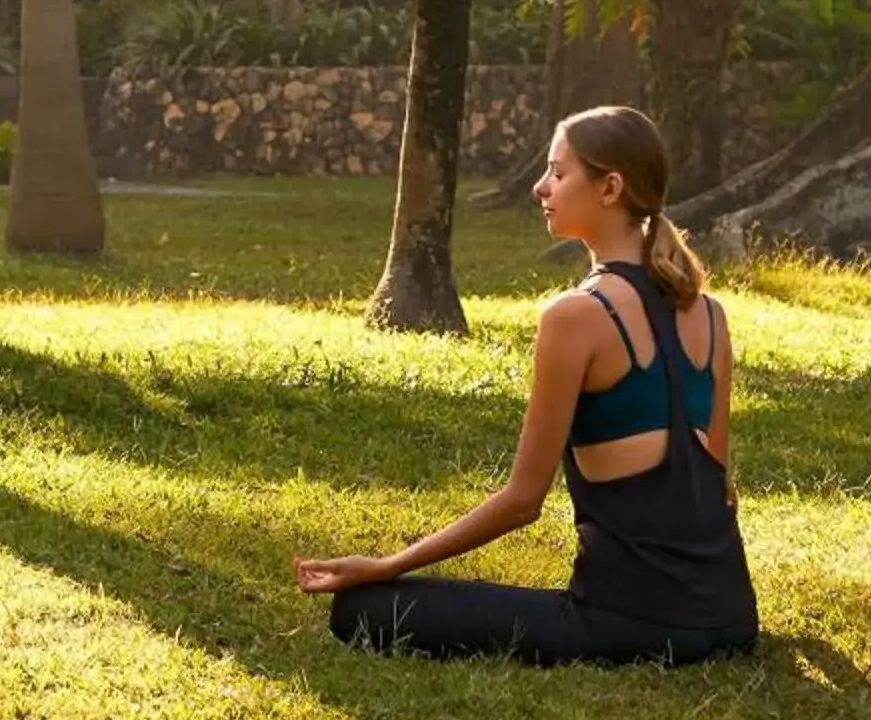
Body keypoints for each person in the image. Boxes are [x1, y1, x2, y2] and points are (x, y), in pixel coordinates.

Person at [295, 106, 759, 666]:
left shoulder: (576, 316)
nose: (541, 187)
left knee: (360, 610)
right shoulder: (709, 314)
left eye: (558, 174)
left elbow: (522, 502)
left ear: (610, 187)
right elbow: (720, 483)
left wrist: (388, 565)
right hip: (733, 620)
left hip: (627, 623)